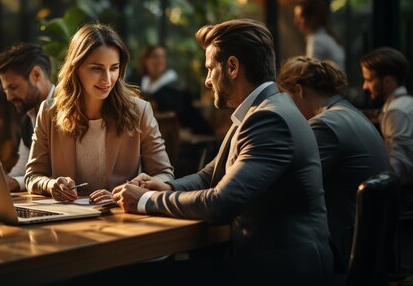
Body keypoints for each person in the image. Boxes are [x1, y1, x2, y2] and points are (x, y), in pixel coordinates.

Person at [112, 19, 333, 285]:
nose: (206, 81)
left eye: (209, 69)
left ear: (232, 66)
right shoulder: (260, 110)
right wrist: (165, 186)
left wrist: (145, 200)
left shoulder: (269, 119)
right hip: (259, 261)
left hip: (280, 270)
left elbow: (221, 203)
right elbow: (209, 177)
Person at [24, 24, 174, 204]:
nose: (107, 79)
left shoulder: (139, 111)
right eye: (97, 68)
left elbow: (165, 175)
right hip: (65, 217)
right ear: (76, 67)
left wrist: (130, 192)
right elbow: (32, 176)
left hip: (120, 218)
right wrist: (51, 185)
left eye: (114, 68)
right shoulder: (49, 112)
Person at [277, 55, 388, 267]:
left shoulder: (325, 125)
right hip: (367, 241)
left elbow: (292, 185)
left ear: (299, 90)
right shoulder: (350, 113)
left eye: (285, 97)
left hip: (343, 246)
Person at [360, 47, 413, 209]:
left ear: (387, 81)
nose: (364, 87)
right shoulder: (404, 104)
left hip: (407, 199)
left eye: (369, 80)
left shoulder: (397, 110)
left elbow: (399, 169)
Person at [0, 42, 55, 192]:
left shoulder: (70, 112)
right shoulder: (27, 120)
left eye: (13, 87)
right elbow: (24, 167)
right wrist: (8, 181)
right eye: (6, 90)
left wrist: (16, 183)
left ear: (36, 75)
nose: (8, 97)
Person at [134, 45, 212, 134]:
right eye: (155, 57)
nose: (160, 61)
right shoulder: (140, 83)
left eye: (163, 57)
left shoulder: (176, 87)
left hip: (185, 135)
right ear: (145, 60)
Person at [294, 0, 346, 71]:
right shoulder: (327, 37)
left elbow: (310, 72)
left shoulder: (317, 41)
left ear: (312, 18)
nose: (296, 21)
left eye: (300, 17)